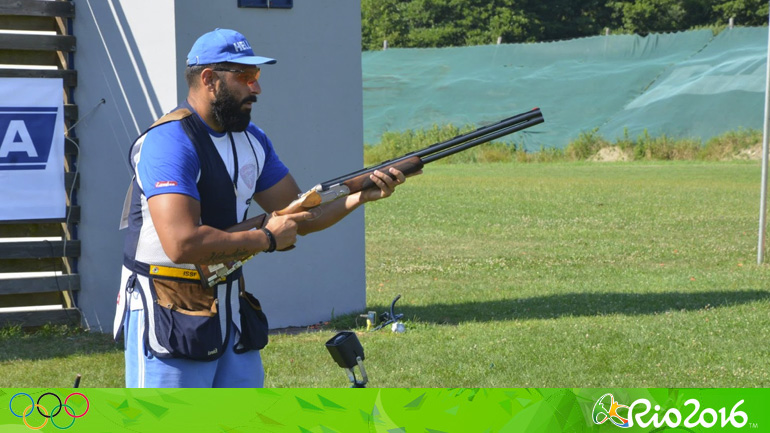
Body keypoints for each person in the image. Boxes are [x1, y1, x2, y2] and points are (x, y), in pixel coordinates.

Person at [113, 28, 411, 388]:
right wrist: (265, 238)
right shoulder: (169, 142)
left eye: (256, 76)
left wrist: (360, 193)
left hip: (229, 308)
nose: (257, 88)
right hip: (168, 307)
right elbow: (181, 243)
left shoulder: (253, 140)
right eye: (246, 77)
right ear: (209, 79)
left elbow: (300, 213)